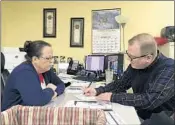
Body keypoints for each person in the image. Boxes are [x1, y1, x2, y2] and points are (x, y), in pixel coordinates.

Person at [83, 33, 174, 121]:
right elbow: (120, 84)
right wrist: (98, 90)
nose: (128, 60)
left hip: (160, 120)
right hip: (139, 113)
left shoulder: (169, 68)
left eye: (132, 57)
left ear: (148, 58)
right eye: (128, 55)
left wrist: (111, 97)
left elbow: (149, 100)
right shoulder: (137, 64)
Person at [2, 40, 65, 111]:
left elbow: (61, 85)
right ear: (35, 59)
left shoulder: (45, 69)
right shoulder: (24, 72)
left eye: (52, 57)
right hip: (14, 117)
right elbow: (38, 100)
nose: (52, 61)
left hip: (33, 112)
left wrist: (54, 92)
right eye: (48, 58)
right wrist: (50, 90)